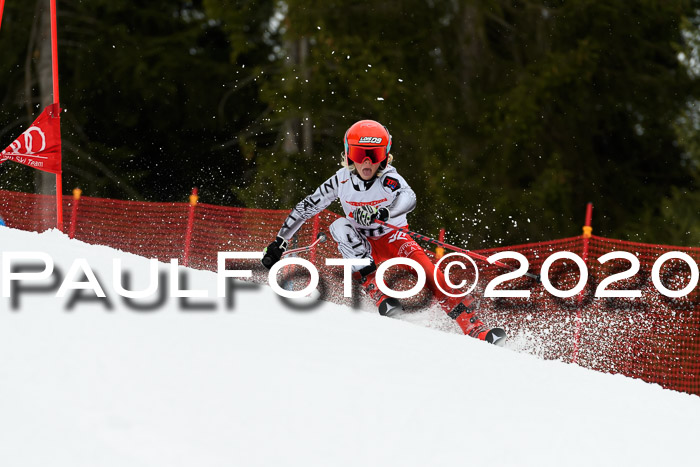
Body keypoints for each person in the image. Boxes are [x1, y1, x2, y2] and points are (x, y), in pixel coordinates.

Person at [262, 120, 505, 345]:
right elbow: (307, 206)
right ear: (348, 155)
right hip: (362, 244)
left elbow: (408, 197)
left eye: (374, 155)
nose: (367, 162)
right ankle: (378, 294)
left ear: (385, 157)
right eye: (359, 154)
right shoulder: (341, 180)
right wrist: (280, 241)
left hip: (393, 238)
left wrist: (385, 213)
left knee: (432, 274)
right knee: (339, 226)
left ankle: (474, 328)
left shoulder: (388, 178)